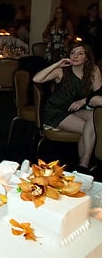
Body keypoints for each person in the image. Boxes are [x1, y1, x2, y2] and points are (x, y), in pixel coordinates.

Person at [33, 41, 102, 173]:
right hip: (55, 111)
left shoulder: (94, 70)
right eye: (72, 53)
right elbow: (37, 79)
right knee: (89, 129)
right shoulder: (61, 71)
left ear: (86, 57)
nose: (75, 56)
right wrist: (57, 64)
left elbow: (97, 94)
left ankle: (83, 164)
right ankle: (84, 165)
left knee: (95, 117)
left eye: (80, 53)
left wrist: (83, 101)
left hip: (75, 109)